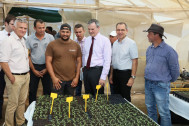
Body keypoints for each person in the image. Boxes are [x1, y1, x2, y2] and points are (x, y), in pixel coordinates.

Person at [144, 24, 180, 126]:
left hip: (161, 85)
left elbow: (175, 70)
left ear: (157, 35)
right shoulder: (149, 49)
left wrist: (167, 80)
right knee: (150, 110)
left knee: (163, 112)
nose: (147, 35)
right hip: (148, 83)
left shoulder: (169, 51)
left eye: (149, 33)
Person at [0, 18, 29, 126]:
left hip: (25, 76)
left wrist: (28, 72)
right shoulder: (8, 41)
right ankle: (8, 124)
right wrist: (11, 77)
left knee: (22, 102)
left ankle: (20, 122)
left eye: (25, 28)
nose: (23, 30)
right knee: (12, 104)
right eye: (21, 27)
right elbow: (3, 61)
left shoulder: (22, 40)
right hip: (15, 77)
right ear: (14, 27)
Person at [46, 23, 82, 96]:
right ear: (59, 32)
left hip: (71, 81)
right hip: (57, 81)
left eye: (67, 32)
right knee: (56, 104)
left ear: (70, 33)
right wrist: (53, 78)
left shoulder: (76, 45)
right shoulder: (52, 44)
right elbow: (48, 62)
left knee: (69, 104)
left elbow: (79, 62)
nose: (65, 34)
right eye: (63, 32)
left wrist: (76, 77)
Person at [26, 19, 54, 104]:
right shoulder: (29, 39)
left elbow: (54, 55)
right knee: (32, 91)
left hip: (47, 66)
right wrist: (33, 70)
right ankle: (32, 110)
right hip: (34, 66)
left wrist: (47, 68)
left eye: (43, 27)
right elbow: (27, 55)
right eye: (39, 28)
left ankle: (46, 110)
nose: (42, 30)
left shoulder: (50, 38)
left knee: (48, 91)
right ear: (34, 28)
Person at [110, 22, 138, 102]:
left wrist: (132, 77)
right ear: (116, 31)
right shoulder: (115, 44)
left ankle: (127, 114)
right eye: (118, 30)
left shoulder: (131, 43)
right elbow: (113, 61)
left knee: (125, 98)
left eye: (122, 30)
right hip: (115, 74)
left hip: (125, 75)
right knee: (116, 97)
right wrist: (111, 75)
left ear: (126, 31)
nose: (120, 32)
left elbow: (135, 61)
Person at [83, 19, 111, 96]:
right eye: (89, 29)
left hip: (97, 72)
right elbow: (85, 55)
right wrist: (83, 69)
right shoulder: (87, 40)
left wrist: (103, 77)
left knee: (97, 95)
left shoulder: (105, 41)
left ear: (98, 28)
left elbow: (107, 60)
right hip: (87, 71)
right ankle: (88, 108)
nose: (90, 31)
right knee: (87, 94)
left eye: (92, 29)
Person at [0, 14, 16, 119]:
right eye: (12, 24)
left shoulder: (17, 36)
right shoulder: (0, 35)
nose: (14, 27)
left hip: (13, 70)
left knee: (13, 95)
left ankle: (13, 116)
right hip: (2, 69)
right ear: (6, 23)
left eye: (15, 25)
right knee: (0, 93)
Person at [74, 24, 86, 96]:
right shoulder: (73, 43)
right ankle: (78, 103)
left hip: (86, 68)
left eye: (80, 32)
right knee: (77, 87)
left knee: (88, 87)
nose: (78, 34)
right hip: (77, 68)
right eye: (76, 32)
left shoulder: (89, 42)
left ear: (84, 31)